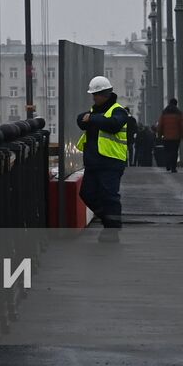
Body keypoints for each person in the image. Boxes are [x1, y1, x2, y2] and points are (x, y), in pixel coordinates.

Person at [75, 75, 129, 243]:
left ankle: (111, 232)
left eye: (96, 94)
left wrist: (92, 119)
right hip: (93, 162)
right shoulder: (94, 112)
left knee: (109, 196)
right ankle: (109, 221)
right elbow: (80, 121)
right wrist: (89, 118)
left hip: (111, 161)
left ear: (105, 94)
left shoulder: (118, 110)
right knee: (87, 193)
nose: (93, 97)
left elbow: (113, 124)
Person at [155, 98, 183, 173]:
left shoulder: (164, 113)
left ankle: (168, 164)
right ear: (176, 104)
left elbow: (160, 125)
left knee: (167, 151)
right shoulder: (179, 113)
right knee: (174, 152)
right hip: (176, 137)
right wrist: (182, 134)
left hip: (166, 136)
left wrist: (159, 135)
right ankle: (173, 168)